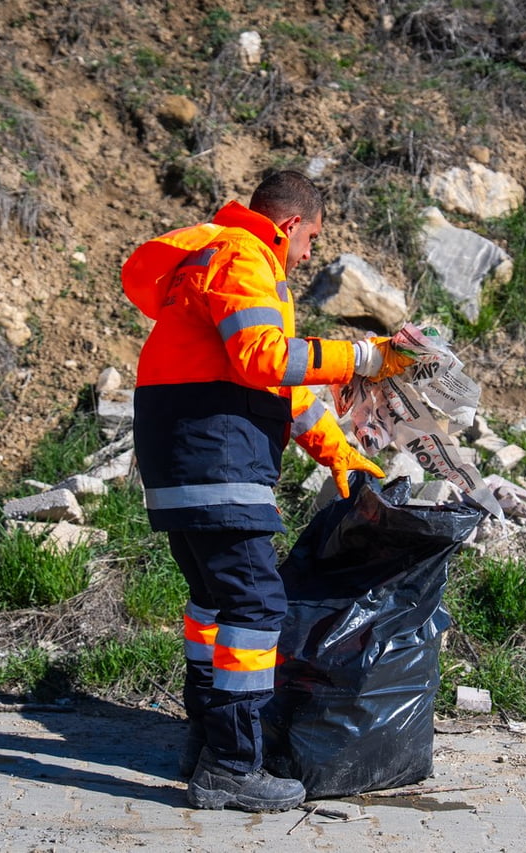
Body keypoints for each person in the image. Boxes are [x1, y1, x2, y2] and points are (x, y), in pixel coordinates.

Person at [121, 170, 413, 813]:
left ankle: (204, 743)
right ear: (288, 226)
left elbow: (281, 384)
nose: (309, 255)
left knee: (213, 607)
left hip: (184, 464)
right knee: (256, 611)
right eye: (311, 238)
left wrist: (339, 452)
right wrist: (364, 359)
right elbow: (262, 359)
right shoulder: (242, 256)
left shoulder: (222, 268)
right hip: (216, 456)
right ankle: (231, 766)